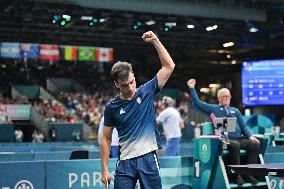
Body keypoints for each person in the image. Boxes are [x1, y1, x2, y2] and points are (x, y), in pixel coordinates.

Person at [100, 31, 175, 189]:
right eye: (124, 85)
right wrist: (105, 169)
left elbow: (169, 66)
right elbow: (106, 139)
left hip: (148, 159)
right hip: (125, 162)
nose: (130, 87)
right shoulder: (112, 107)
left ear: (134, 76)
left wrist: (155, 40)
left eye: (131, 82)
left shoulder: (147, 90)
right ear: (116, 84)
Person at [187, 79, 260, 186]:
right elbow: (198, 103)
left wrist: (250, 135)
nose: (227, 98)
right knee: (235, 145)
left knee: (255, 144)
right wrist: (192, 88)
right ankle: (236, 175)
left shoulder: (235, 111)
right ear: (219, 98)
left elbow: (244, 126)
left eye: (228, 96)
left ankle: (249, 173)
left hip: (238, 138)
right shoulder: (213, 108)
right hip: (224, 140)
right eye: (224, 96)